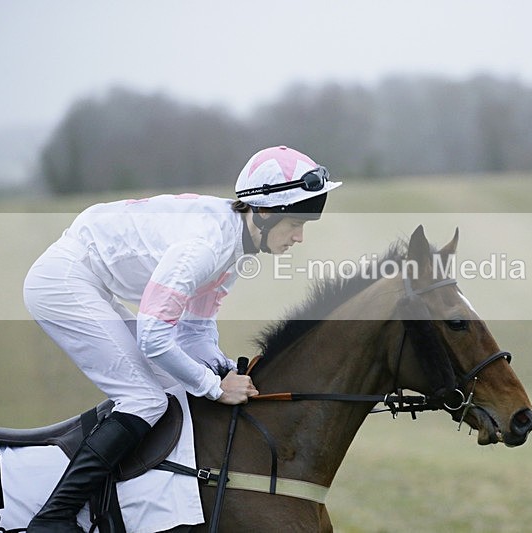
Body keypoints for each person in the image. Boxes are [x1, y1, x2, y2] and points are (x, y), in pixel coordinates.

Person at [23, 145, 341, 532]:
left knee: (172, 384)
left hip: (93, 281)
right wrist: (215, 388)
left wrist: (224, 366)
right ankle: (53, 517)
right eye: (296, 223)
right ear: (265, 212)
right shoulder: (205, 246)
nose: (300, 238)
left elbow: (195, 330)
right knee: (145, 398)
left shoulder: (236, 247)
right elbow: (155, 338)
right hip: (63, 282)